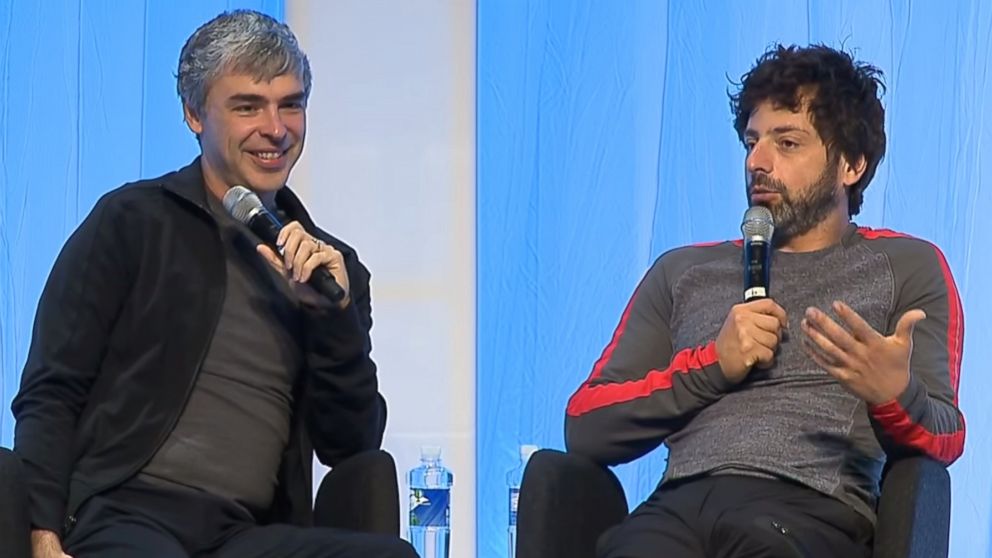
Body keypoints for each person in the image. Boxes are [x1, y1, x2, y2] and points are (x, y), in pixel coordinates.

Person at [12, 10, 415, 558]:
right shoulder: (133, 220)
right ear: (194, 114)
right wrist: (42, 533)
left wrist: (332, 318)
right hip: (126, 514)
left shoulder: (330, 266)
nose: (276, 128)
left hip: (243, 533)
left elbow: (352, 445)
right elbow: (52, 390)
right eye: (248, 106)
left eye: (290, 104)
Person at [565, 44, 965, 558]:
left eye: (788, 142)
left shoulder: (907, 265)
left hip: (807, 512)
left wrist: (894, 393)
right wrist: (712, 365)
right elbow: (586, 424)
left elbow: (946, 437)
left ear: (852, 164)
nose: (758, 161)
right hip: (674, 511)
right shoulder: (684, 271)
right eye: (752, 142)